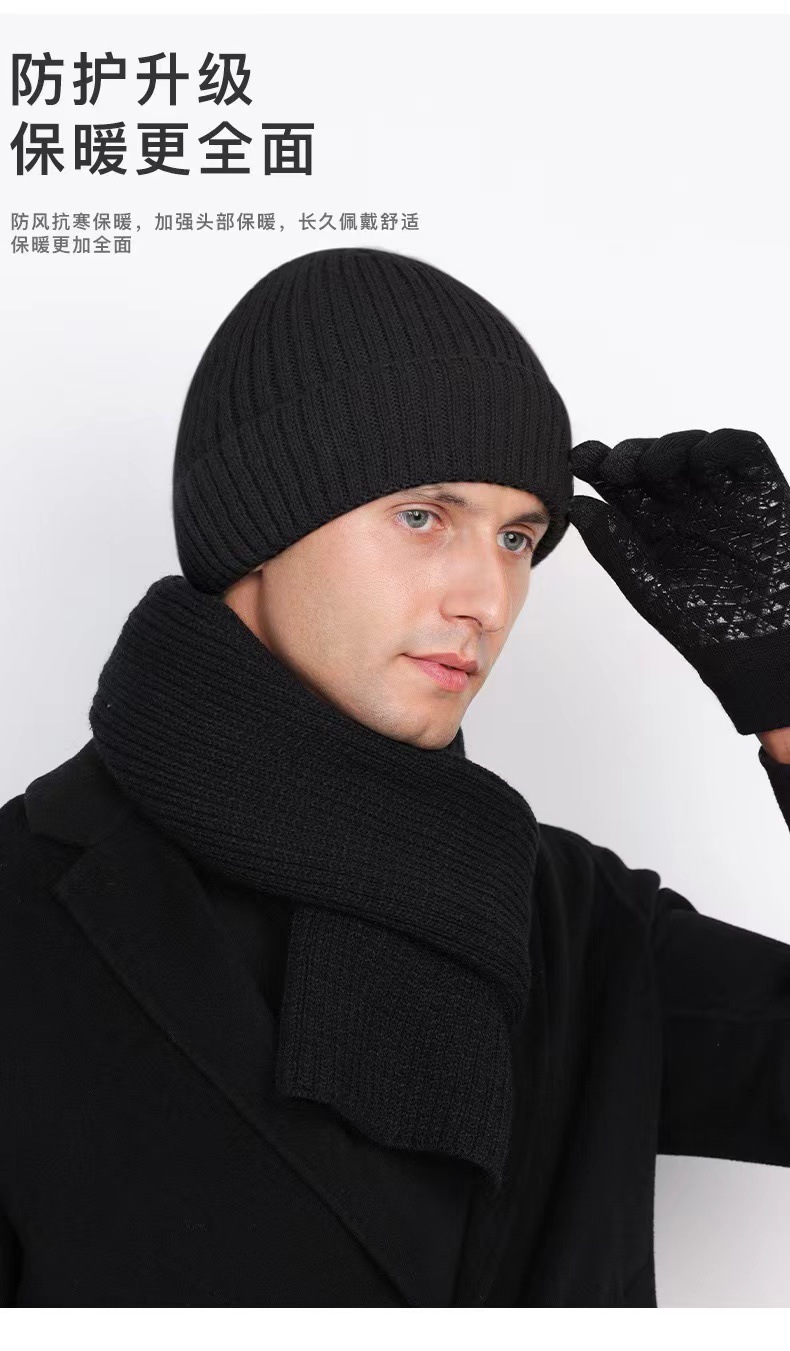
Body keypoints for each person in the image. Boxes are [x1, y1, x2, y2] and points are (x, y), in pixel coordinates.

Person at [1, 245, 789, 1308]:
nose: (488, 600)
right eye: (424, 516)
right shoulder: (24, 912)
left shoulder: (578, 926)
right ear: (259, 526)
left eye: (518, 538)